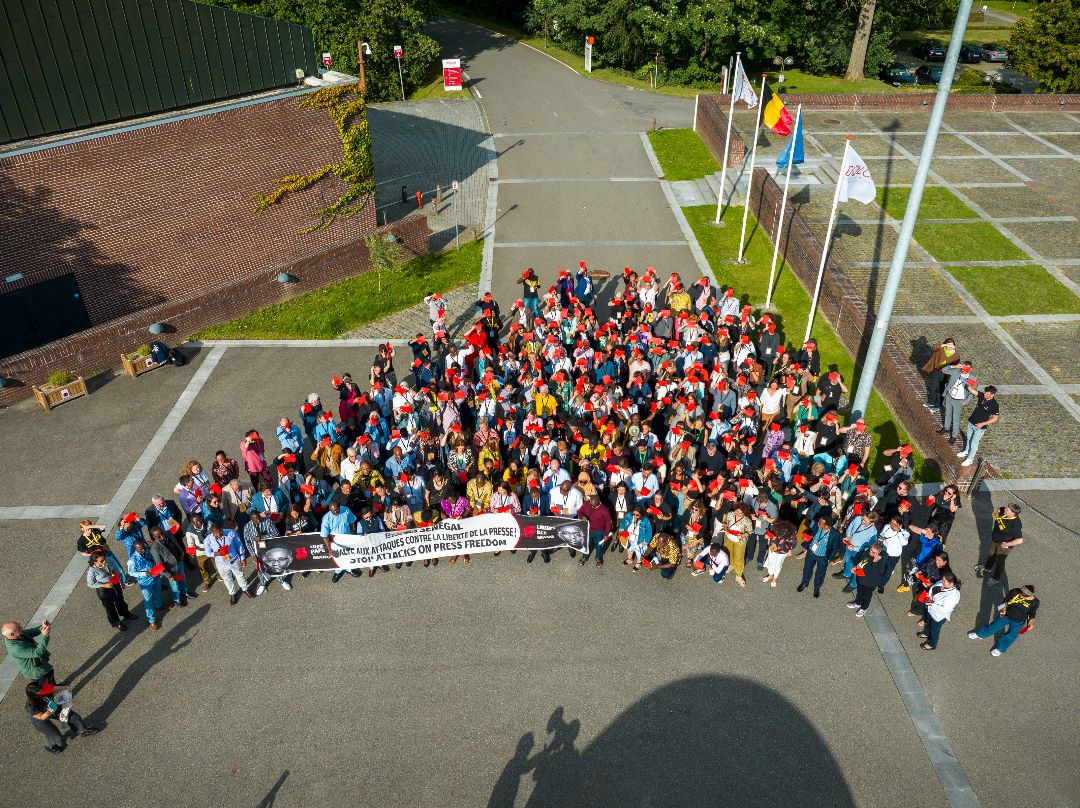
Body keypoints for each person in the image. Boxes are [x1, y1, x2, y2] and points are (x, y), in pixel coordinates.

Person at [26, 681, 97, 754]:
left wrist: (65, 688)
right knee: (54, 734)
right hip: (40, 718)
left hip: (51, 707)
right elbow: (41, 717)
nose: (43, 692)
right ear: (33, 696)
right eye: (40, 692)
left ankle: (82, 730)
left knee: (71, 716)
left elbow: (54, 688)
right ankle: (50, 745)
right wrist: (50, 710)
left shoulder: (44, 688)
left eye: (42, 690)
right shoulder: (30, 706)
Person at [968, 584, 1039, 657]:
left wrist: (1031, 621)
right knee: (993, 627)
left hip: (1019, 622)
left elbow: (1032, 613)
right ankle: (980, 634)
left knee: (1011, 636)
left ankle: (1000, 649)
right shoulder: (1015, 591)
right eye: (1020, 592)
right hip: (1006, 615)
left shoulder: (1035, 602)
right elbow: (1004, 601)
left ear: (1029, 596)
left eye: (1023, 595)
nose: (1020, 595)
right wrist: (1003, 609)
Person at [202, 522, 254, 605]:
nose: (219, 535)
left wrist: (243, 558)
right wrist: (216, 553)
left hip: (234, 560)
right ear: (212, 533)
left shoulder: (231, 532)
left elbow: (239, 545)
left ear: (222, 529)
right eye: (216, 534)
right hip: (221, 564)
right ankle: (232, 593)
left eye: (220, 532)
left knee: (240, 575)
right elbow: (207, 553)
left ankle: (245, 589)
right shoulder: (207, 540)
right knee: (227, 579)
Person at [85, 552, 135, 630]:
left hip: (114, 582)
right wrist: (104, 585)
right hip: (103, 589)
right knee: (109, 607)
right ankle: (116, 623)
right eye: (101, 561)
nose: (104, 561)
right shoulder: (92, 571)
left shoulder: (109, 560)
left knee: (120, 600)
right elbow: (90, 584)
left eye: (104, 559)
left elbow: (116, 570)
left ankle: (126, 613)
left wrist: (121, 581)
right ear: (95, 562)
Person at [976, 503, 1023, 584]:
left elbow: (1020, 540)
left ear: (1013, 513)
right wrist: (995, 514)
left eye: (1007, 509)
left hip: (1004, 545)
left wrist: (1007, 544)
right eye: (1006, 508)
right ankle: (987, 567)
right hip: (995, 539)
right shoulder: (1003, 511)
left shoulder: (1015, 524)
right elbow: (996, 512)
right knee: (991, 554)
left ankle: (996, 578)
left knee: (999, 562)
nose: (1005, 509)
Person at [126, 539, 167, 631]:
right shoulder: (132, 560)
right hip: (145, 582)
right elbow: (131, 572)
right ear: (135, 549)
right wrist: (144, 573)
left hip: (155, 576)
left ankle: (159, 606)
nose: (143, 550)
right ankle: (152, 621)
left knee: (157, 591)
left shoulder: (147, 551)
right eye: (140, 549)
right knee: (148, 600)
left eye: (143, 547)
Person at [797, 516, 841, 598]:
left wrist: (829, 558)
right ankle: (804, 582)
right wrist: (806, 536)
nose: (818, 524)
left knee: (820, 574)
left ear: (826, 526)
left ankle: (817, 588)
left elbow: (835, 548)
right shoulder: (815, 525)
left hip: (823, 557)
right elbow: (809, 532)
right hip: (811, 552)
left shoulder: (835, 534)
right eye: (818, 522)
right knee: (807, 568)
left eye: (820, 523)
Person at [918, 570, 960, 651]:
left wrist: (932, 604)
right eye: (942, 579)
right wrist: (929, 586)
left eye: (944, 581)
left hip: (938, 616)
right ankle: (926, 633)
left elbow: (944, 610)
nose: (942, 582)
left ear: (951, 584)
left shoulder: (952, 596)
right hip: (930, 609)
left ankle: (932, 644)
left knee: (934, 630)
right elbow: (935, 587)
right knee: (927, 622)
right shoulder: (944, 584)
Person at [957, 385, 998, 467]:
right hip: (971, 422)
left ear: (992, 395)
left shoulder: (994, 404)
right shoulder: (982, 395)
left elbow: (995, 419)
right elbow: (972, 390)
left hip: (980, 427)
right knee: (969, 438)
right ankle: (967, 451)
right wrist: (969, 386)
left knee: (974, 443)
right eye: (985, 392)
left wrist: (982, 424)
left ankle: (970, 459)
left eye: (987, 393)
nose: (985, 394)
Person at [321, 501, 361, 583]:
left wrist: (354, 532)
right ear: (330, 509)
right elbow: (324, 535)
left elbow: (352, 521)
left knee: (348, 554)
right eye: (333, 510)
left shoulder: (345, 510)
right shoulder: (326, 519)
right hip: (335, 541)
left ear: (339, 507)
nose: (336, 512)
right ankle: (338, 571)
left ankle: (350, 569)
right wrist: (329, 549)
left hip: (347, 537)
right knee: (338, 557)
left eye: (337, 509)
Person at [847, 541, 888, 618]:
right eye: (871, 550)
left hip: (870, 583)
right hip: (861, 578)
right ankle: (857, 602)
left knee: (867, 596)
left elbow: (878, 573)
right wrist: (856, 568)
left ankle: (863, 608)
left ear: (879, 552)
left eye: (875, 552)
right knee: (859, 592)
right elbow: (862, 561)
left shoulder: (881, 559)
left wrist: (875, 562)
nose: (872, 553)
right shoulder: (867, 552)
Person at [577, 493, 612, 567]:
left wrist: (606, 534)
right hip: (587, 529)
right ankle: (584, 557)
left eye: (594, 506)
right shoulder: (587, 504)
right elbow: (579, 512)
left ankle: (598, 558)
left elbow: (608, 522)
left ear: (599, 502)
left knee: (598, 546)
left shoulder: (604, 510)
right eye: (591, 505)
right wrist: (582, 516)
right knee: (586, 544)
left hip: (598, 531)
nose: (592, 507)